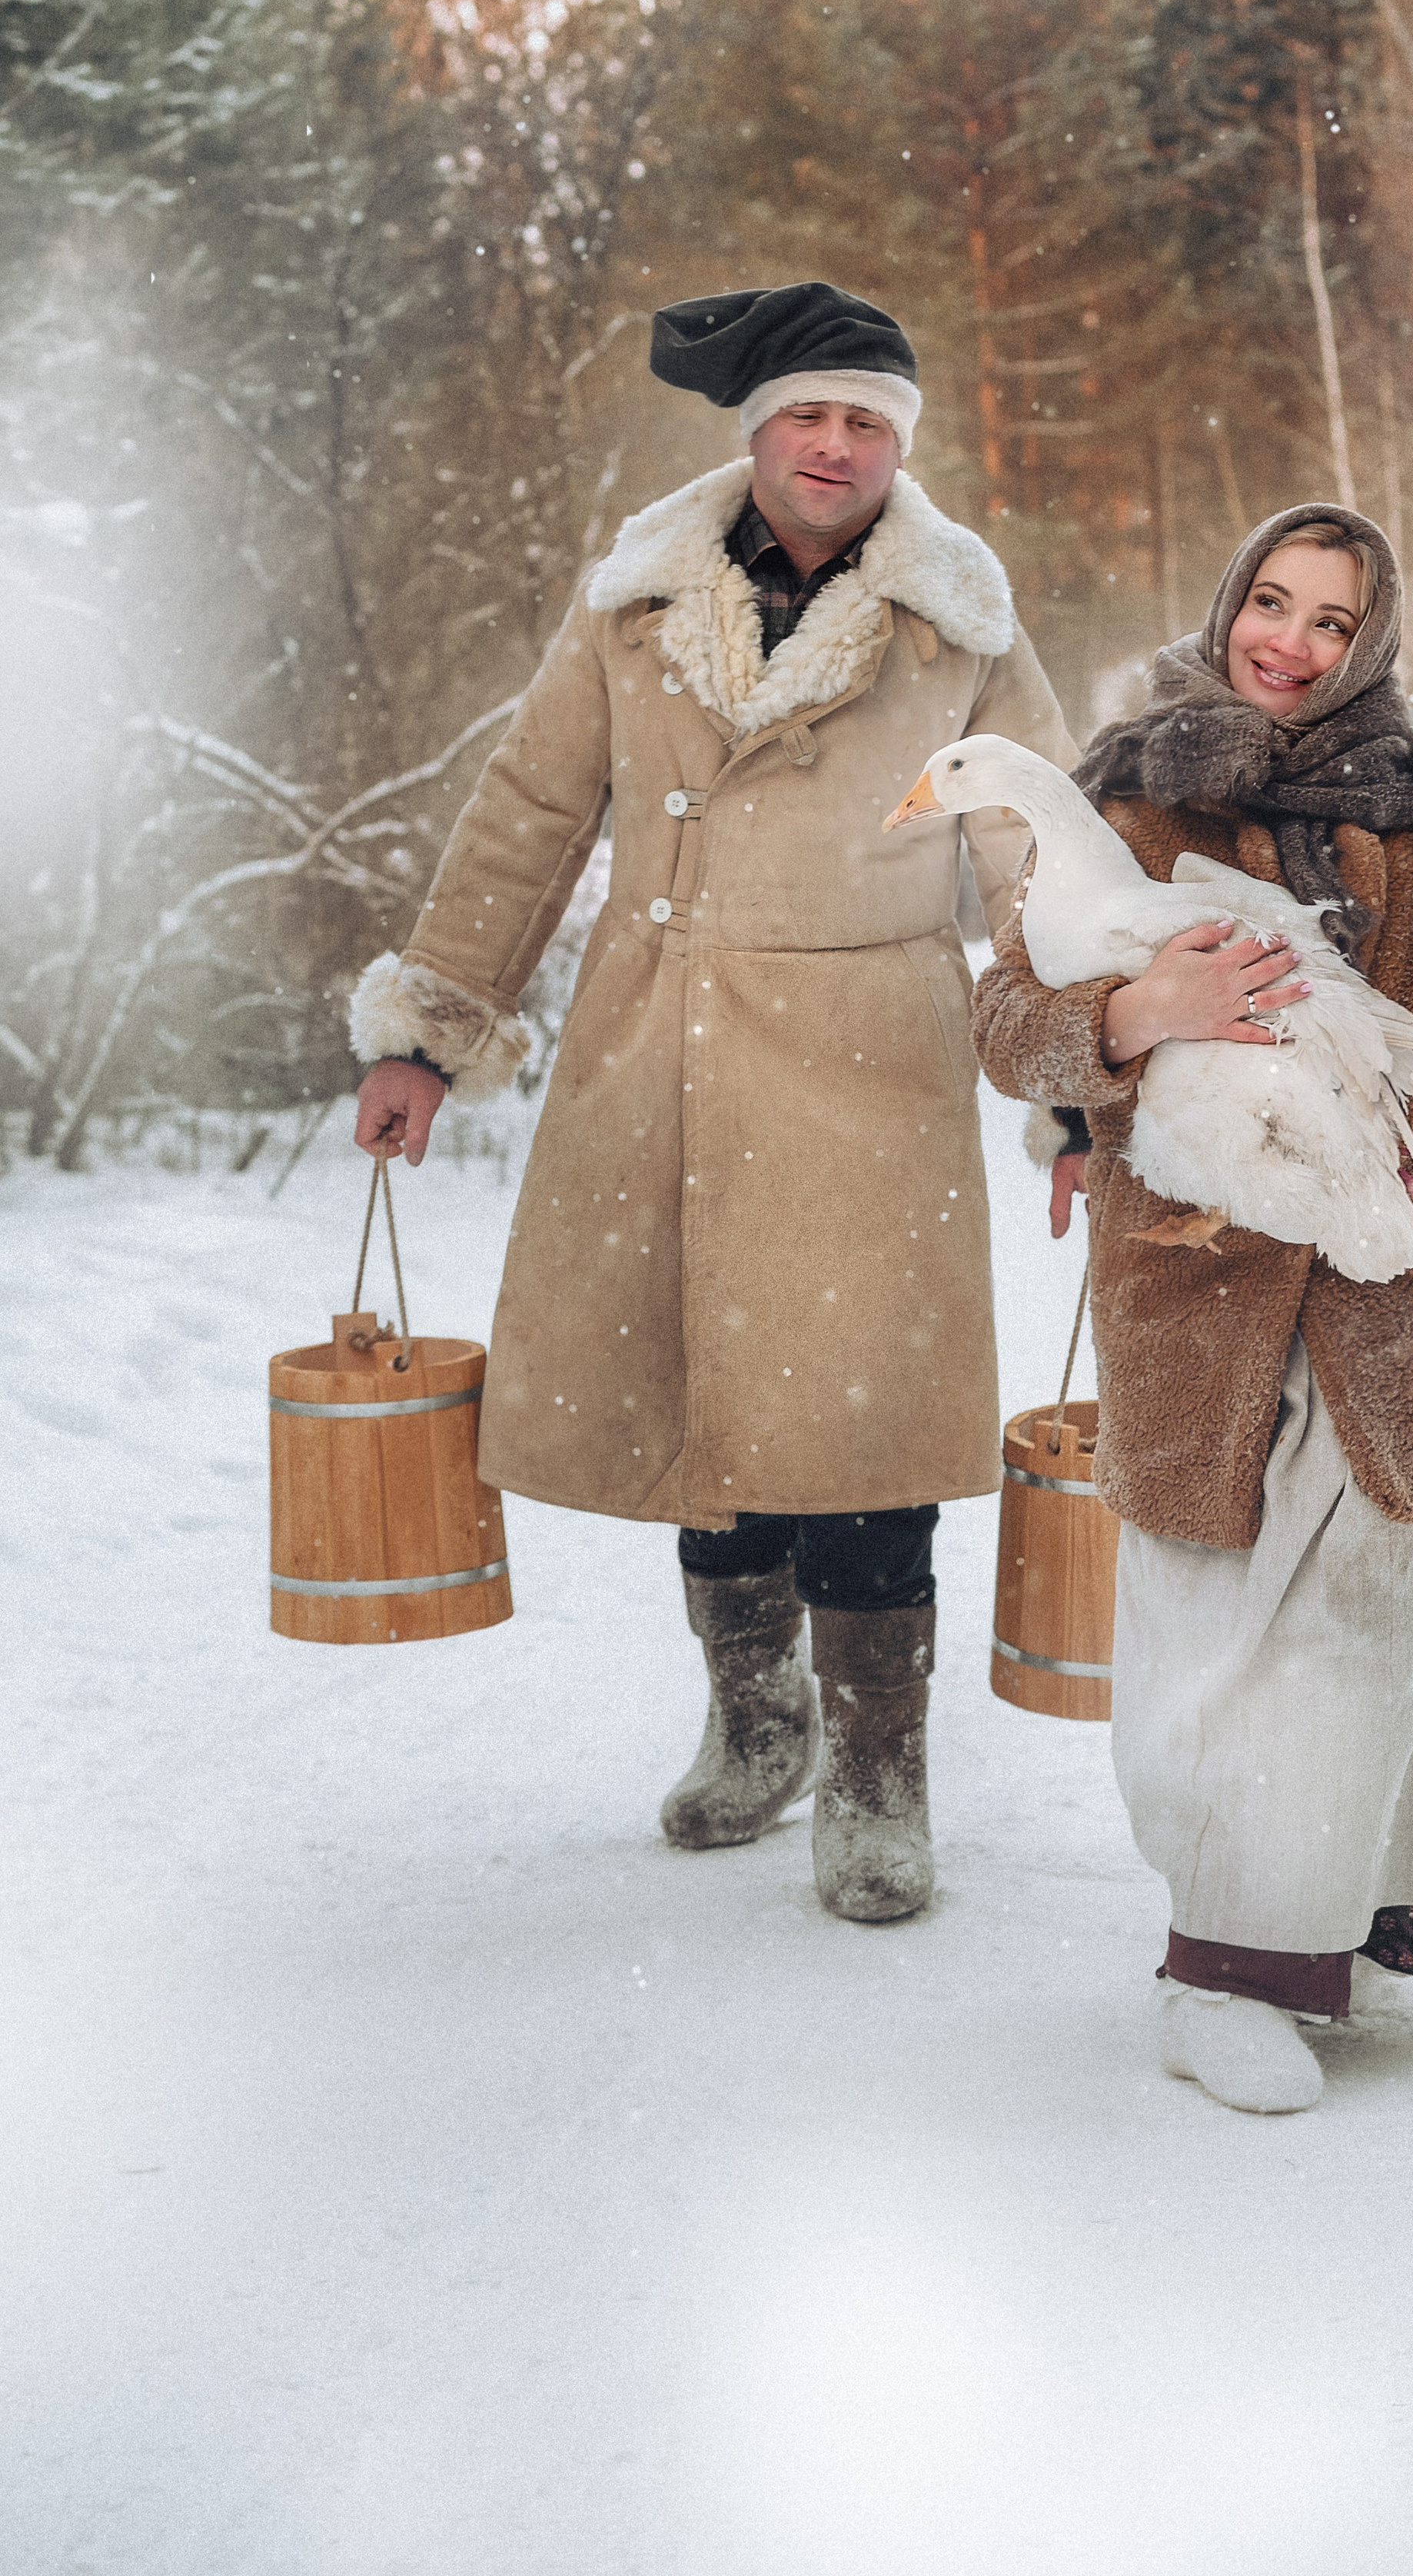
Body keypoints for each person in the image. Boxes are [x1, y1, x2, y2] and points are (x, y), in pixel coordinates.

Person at [351, 281, 1076, 1922]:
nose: (835, 447)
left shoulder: (958, 623)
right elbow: (530, 808)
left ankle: (879, 1775)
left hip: (871, 1061)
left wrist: (1076, 1076)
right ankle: (755, 1726)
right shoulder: (631, 610)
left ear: (902, 445)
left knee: (864, 1429)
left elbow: (1030, 840)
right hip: (657, 1046)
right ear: (755, 430)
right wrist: (428, 1033)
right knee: (706, 1415)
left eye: (867, 421)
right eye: (809, 416)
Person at [972, 503, 1413, 2109]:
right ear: (1226, 597)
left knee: (1390, 1602)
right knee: (1222, 1634)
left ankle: (1364, 1927)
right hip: (1204, 1273)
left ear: (1365, 641)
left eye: (1329, 618)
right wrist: (1129, 1015)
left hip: (1412, 1265)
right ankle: (1222, 1970)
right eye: (1270, 600)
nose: (1290, 642)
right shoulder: (1123, 789)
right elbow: (1008, 1015)